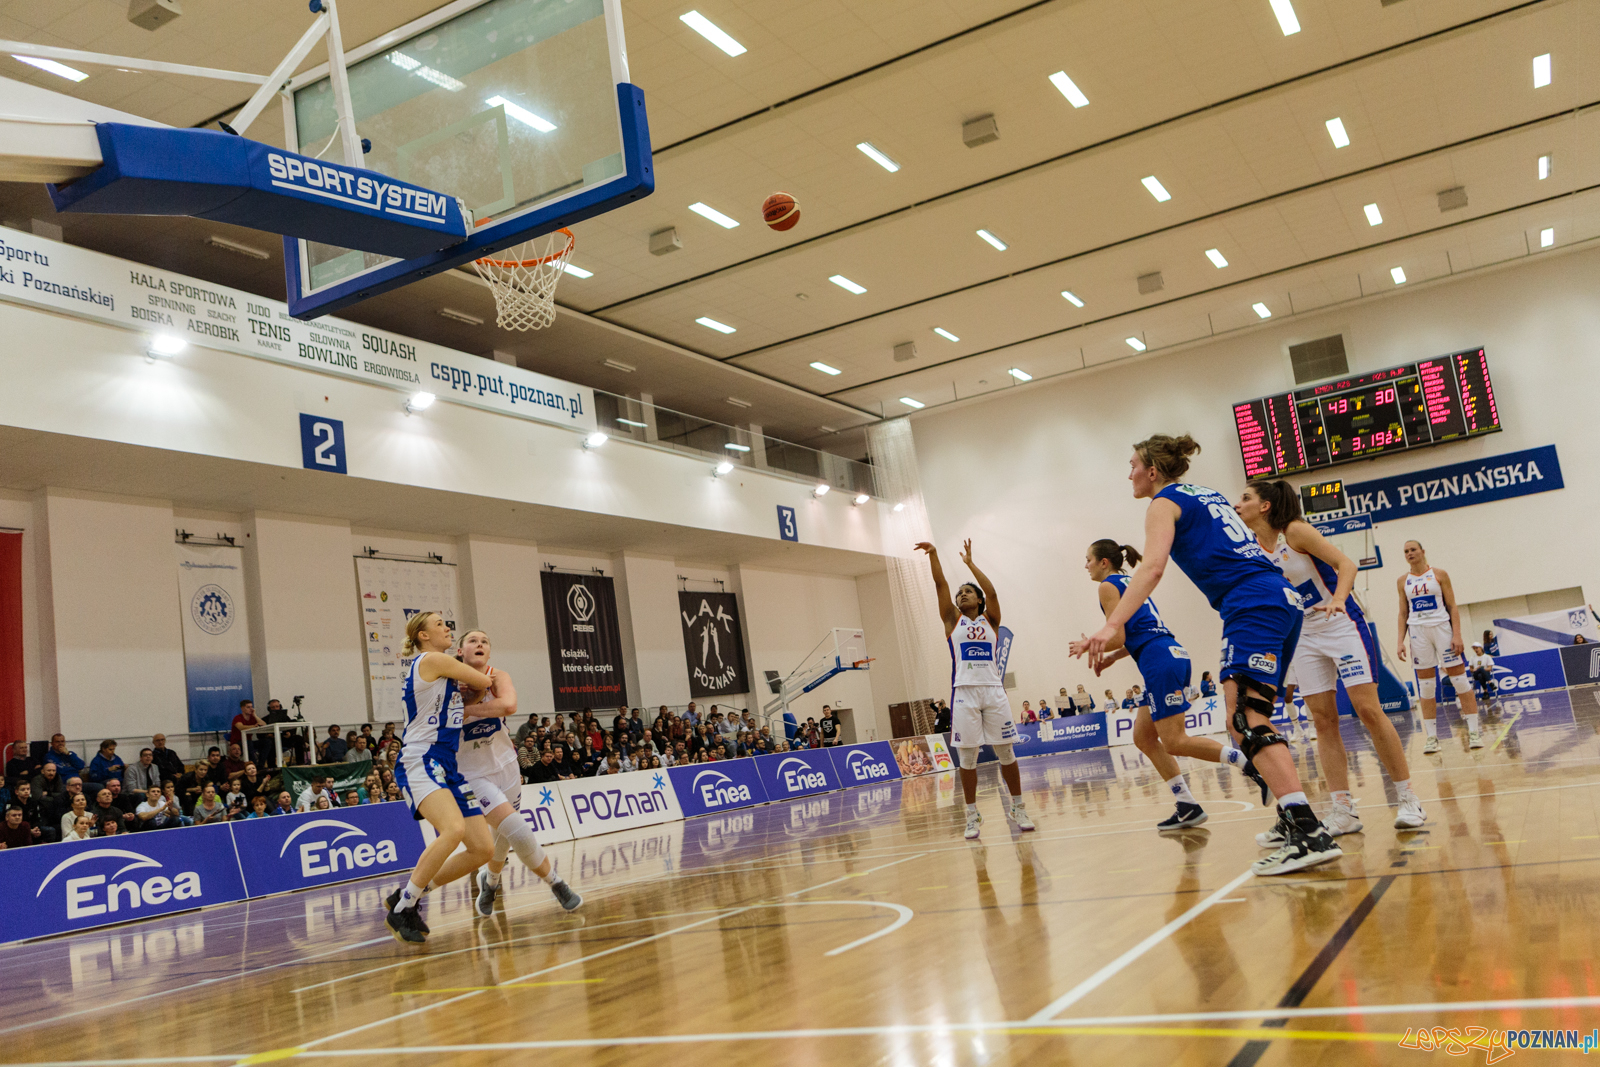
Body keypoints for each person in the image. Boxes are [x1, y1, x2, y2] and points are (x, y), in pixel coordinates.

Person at [1078, 434, 1339, 876]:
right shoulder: (1207, 494)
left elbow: (1152, 568)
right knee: (1252, 718)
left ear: (1152, 471)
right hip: (1279, 597)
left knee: (1245, 721)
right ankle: (1291, 815)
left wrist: (1109, 625)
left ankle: (1308, 830)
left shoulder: (1163, 503)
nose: (1130, 474)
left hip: (1251, 602)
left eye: (1133, 466)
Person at [1237, 480, 1426, 834]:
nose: (1238, 505)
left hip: (1340, 623)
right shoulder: (1253, 548)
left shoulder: (1295, 531)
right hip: (1304, 634)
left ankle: (1408, 797)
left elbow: (1346, 564)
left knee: (1368, 710)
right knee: (1323, 721)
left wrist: (1338, 598)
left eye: (1245, 498)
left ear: (1265, 506)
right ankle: (1343, 810)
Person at [1072, 539, 1232, 830]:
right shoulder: (1131, 582)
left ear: (1104, 562)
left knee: (1175, 741)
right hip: (1170, 652)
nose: (1086, 565)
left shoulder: (1107, 586)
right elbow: (1140, 632)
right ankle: (1187, 804)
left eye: (1088, 559)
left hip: (1159, 660)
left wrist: (1090, 643)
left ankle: (1250, 761)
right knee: (1143, 738)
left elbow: (1118, 636)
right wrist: (1113, 658)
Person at [445, 629, 581, 918]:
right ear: (460, 651)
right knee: (516, 827)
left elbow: (508, 705)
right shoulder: (447, 683)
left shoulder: (497, 675)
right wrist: (480, 708)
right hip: (471, 773)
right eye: (473, 641)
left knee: (503, 836)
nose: (480, 644)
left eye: (484, 641)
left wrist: (467, 710)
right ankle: (556, 883)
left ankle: (491, 881)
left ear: (489, 651)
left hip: (506, 764)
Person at [386, 612, 496, 945]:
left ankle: (410, 894)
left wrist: (474, 686)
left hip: (447, 762)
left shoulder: (443, 674)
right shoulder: (433, 659)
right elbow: (484, 683)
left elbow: (471, 697)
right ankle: (403, 909)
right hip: (422, 757)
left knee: (482, 849)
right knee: (453, 829)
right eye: (439, 624)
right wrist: (483, 669)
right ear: (423, 635)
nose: (447, 628)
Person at [916, 538, 1034, 839]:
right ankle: (972, 815)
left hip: (993, 690)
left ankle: (1018, 807)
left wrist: (970, 564)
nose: (961, 595)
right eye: (960, 594)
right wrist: (934, 555)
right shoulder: (952, 620)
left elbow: (992, 592)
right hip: (965, 692)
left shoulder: (991, 621)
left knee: (1005, 751)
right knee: (967, 758)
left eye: (968, 592)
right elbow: (941, 585)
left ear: (979, 600)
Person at [1398, 540, 1484, 753]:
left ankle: (1474, 732)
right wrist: (1400, 641)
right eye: (1406, 551)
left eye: (1413, 549)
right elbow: (1403, 613)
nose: (1409, 553)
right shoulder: (1402, 581)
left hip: (1442, 628)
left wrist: (1457, 634)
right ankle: (1432, 738)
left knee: (1460, 680)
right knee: (1426, 686)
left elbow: (1452, 606)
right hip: (1418, 632)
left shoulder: (1439, 574)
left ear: (1422, 551)